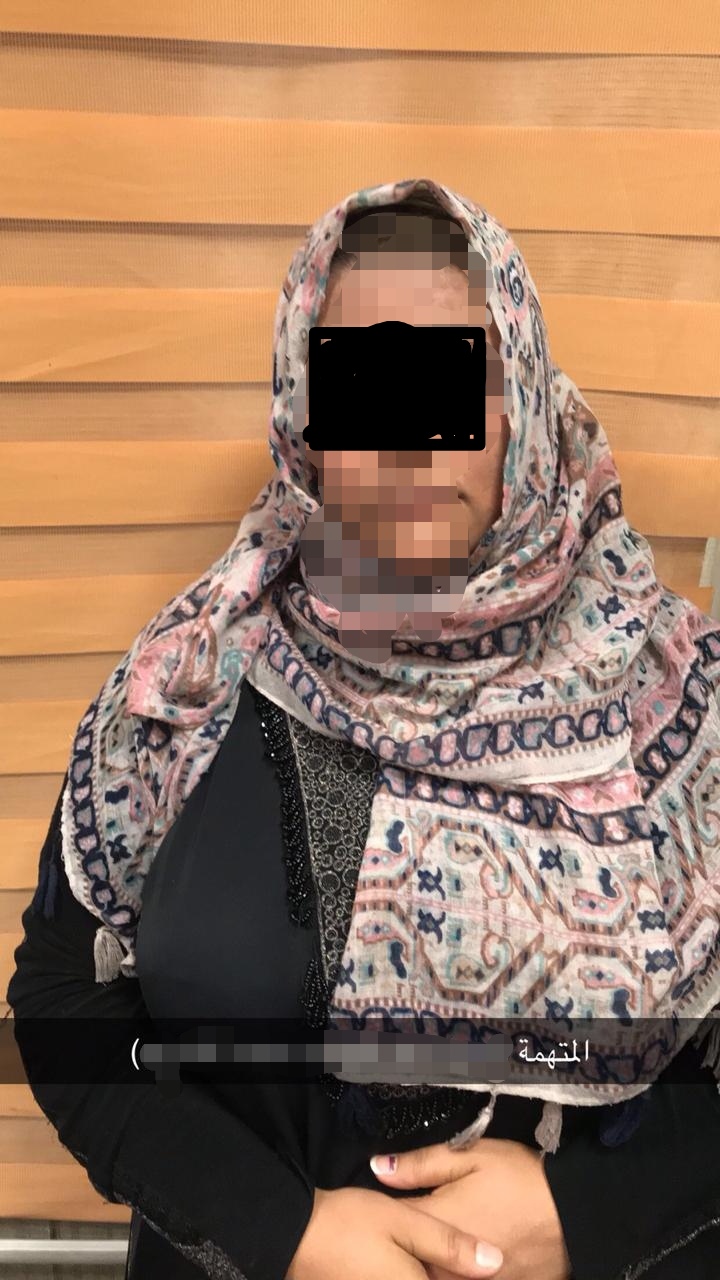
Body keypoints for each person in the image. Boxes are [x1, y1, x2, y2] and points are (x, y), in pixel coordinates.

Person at [6, 178, 720, 1280]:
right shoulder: (194, 679)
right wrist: (283, 1231)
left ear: (523, 407)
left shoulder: (674, 691)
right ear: (306, 424)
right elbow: (61, 1001)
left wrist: (588, 1213)